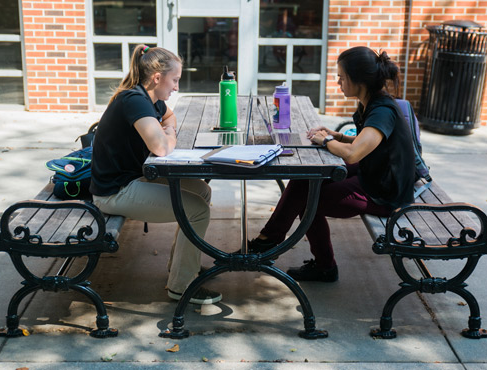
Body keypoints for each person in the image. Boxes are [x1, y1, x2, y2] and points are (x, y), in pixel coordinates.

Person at [247, 46, 416, 282]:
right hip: (375, 174)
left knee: (310, 200)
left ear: (359, 80)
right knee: (307, 177)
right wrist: (337, 137)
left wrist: (326, 140)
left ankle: (320, 265)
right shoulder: (370, 103)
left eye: (342, 77)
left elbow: (353, 154)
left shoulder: (382, 110)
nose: (338, 82)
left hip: (385, 193)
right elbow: (367, 142)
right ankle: (268, 241)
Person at [89, 45, 221, 304]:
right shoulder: (134, 100)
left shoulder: (151, 99)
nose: (177, 88)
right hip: (115, 191)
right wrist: (169, 136)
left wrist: (167, 131)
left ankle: (183, 267)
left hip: (133, 178)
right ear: (157, 78)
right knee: (197, 209)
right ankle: (182, 286)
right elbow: (160, 147)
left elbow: (169, 117)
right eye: (175, 80)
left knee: (202, 190)